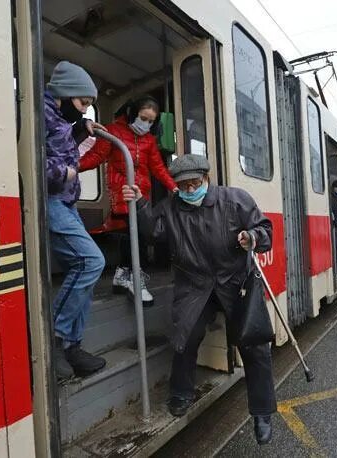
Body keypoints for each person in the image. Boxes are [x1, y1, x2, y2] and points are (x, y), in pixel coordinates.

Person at [121, 155, 277, 445]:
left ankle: (262, 411)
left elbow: (265, 230)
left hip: (235, 282)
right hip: (195, 285)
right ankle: (180, 393)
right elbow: (153, 232)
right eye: (183, 186)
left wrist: (252, 237)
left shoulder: (235, 200)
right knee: (185, 337)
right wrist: (141, 203)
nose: (190, 190)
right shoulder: (171, 207)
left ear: (207, 178)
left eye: (195, 183)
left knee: (255, 344)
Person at [79, 96, 177, 306]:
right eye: (144, 118)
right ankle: (134, 278)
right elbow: (96, 156)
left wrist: (174, 187)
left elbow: (158, 168)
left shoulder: (149, 140)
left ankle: (122, 275)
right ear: (132, 114)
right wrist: (71, 167)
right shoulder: (112, 132)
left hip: (142, 195)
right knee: (135, 233)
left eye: (151, 122)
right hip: (122, 191)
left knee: (137, 231)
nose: (147, 125)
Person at [45, 61, 108, 380]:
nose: (84, 110)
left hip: (66, 203)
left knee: (82, 267)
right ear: (66, 94)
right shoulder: (36, 112)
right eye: (83, 104)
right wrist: (64, 173)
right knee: (90, 262)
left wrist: (80, 130)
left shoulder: (57, 117)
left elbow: (58, 143)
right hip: (52, 200)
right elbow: (24, 156)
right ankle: (54, 341)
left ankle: (71, 346)